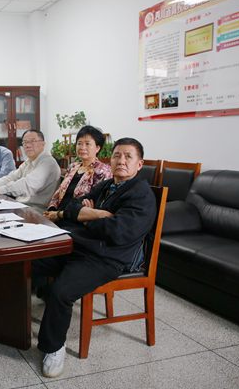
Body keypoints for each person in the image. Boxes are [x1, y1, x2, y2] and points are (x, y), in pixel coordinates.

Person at [32, 138, 156, 378]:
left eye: (128, 157)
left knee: (61, 292)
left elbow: (119, 232)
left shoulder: (141, 194)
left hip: (106, 258)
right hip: (79, 245)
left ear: (139, 164)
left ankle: (54, 347)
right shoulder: (107, 184)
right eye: (117, 155)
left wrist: (86, 217)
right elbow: (72, 206)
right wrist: (96, 214)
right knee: (29, 262)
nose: (121, 161)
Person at [44, 126, 112, 221]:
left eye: (87, 144)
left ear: (97, 148)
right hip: (56, 215)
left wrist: (60, 215)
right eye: (79, 143)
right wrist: (51, 210)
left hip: (76, 219)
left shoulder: (103, 171)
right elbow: (59, 192)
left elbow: (95, 202)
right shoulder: (73, 167)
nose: (82, 147)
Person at [0, 130, 60, 207]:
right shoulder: (29, 161)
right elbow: (10, 178)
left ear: (43, 144)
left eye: (32, 141)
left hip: (36, 209)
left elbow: (26, 184)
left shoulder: (47, 162)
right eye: (25, 142)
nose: (28, 145)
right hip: (21, 204)